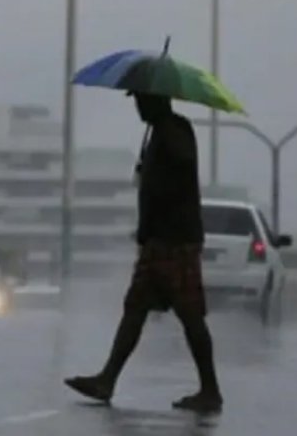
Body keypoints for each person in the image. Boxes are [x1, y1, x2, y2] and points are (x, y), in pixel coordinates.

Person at [64, 92, 223, 414]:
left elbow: (181, 163)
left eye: (140, 100)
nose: (137, 106)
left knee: (190, 315)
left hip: (175, 241)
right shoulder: (158, 134)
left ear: (156, 101)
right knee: (134, 308)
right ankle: (106, 379)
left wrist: (158, 162)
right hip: (156, 241)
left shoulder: (174, 130)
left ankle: (210, 390)